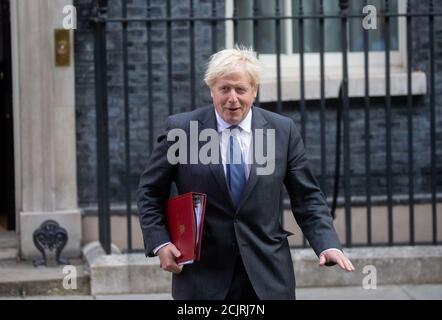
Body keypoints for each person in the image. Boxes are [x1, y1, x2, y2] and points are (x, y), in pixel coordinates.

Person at [137, 46, 355, 300]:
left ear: (254, 91)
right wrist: (161, 243)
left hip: (267, 277)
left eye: (240, 89)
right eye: (224, 89)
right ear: (211, 90)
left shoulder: (282, 132)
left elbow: (307, 197)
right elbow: (150, 191)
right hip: (203, 278)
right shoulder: (182, 130)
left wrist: (326, 243)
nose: (232, 98)